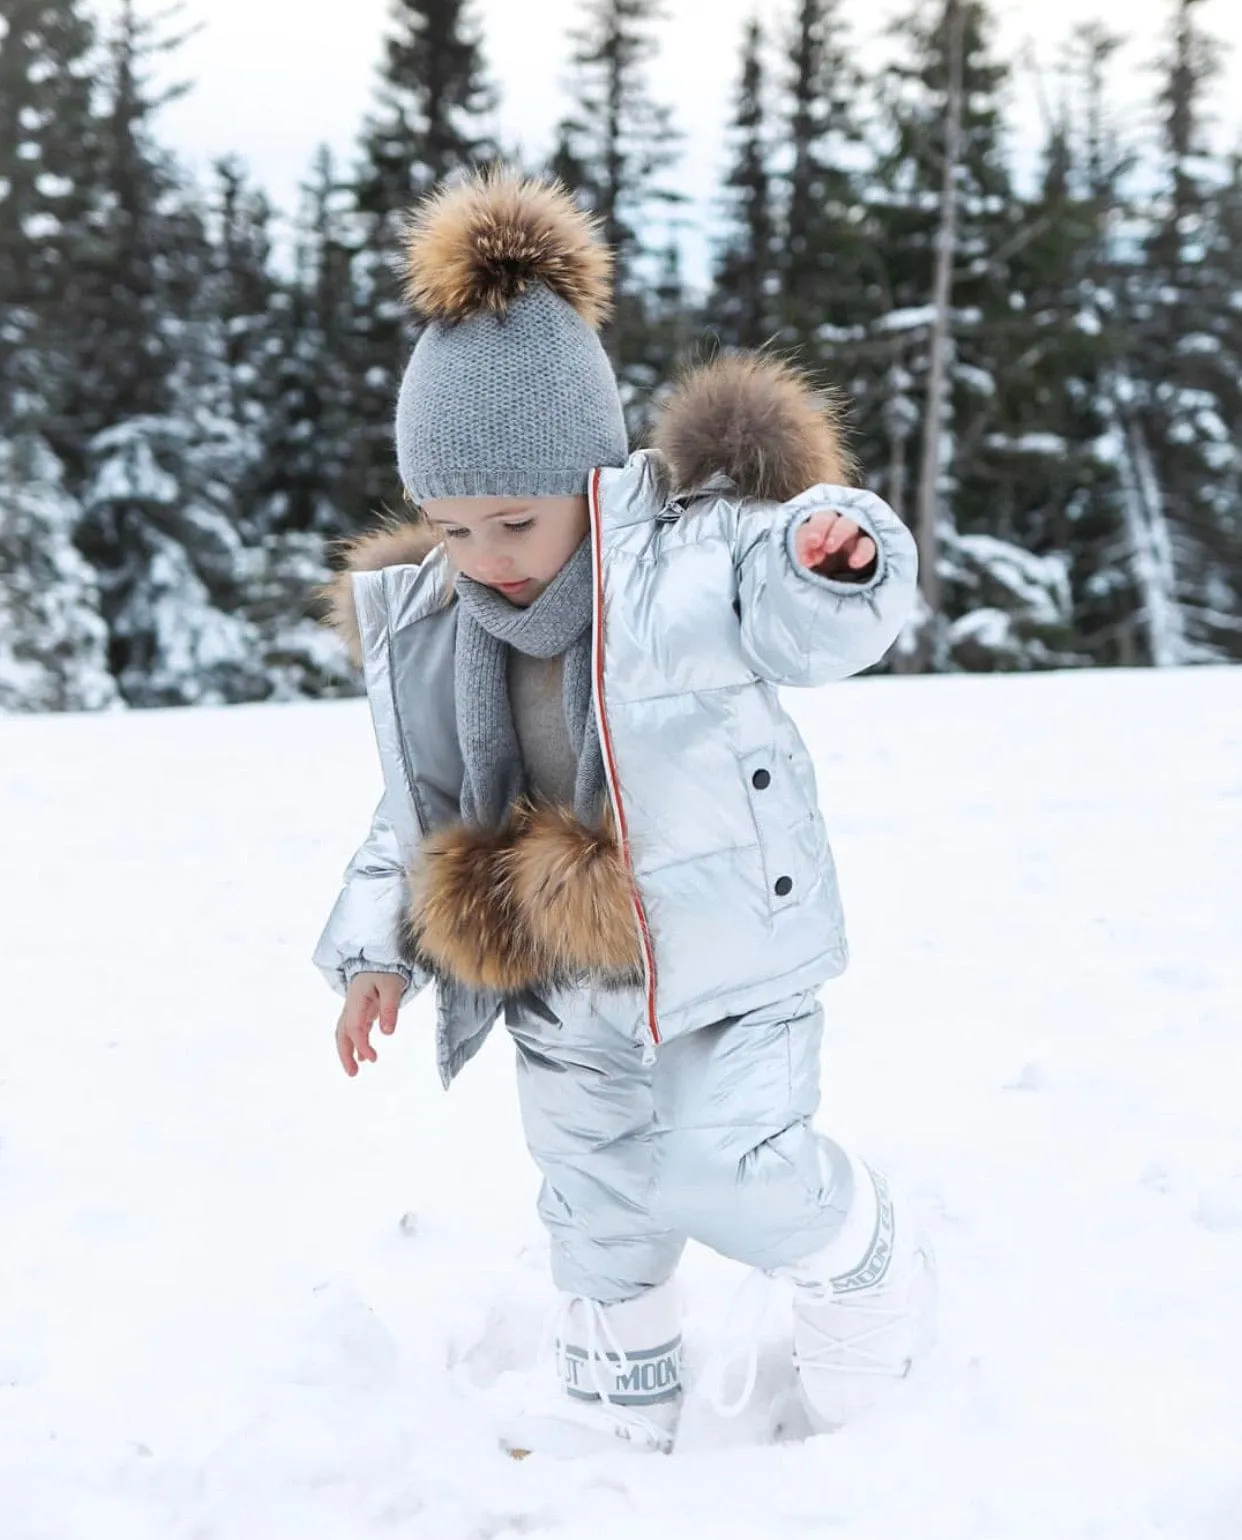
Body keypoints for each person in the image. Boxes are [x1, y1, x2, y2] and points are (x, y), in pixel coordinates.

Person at [314, 167, 933, 1457]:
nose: (485, 556)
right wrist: (377, 947)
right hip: (555, 953)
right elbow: (413, 804)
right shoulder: (442, 623)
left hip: (722, 947)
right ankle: (616, 1422)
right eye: (450, 526)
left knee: (726, 1162)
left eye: (513, 520)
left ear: (588, 474)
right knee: (595, 1204)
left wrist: (841, 554)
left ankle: (857, 1250)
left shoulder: (700, 560)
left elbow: (813, 610)